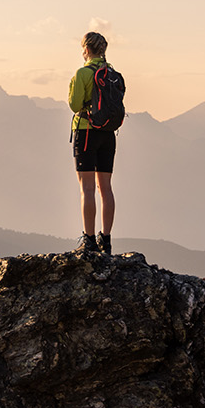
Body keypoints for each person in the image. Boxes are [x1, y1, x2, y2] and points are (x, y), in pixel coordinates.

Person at [69, 31, 117, 254]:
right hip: (108, 133)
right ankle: (105, 239)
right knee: (105, 188)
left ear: (86, 50)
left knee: (87, 189)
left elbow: (74, 104)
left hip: (86, 132)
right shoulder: (113, 74)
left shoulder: (83, 73)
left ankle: (88, 240)